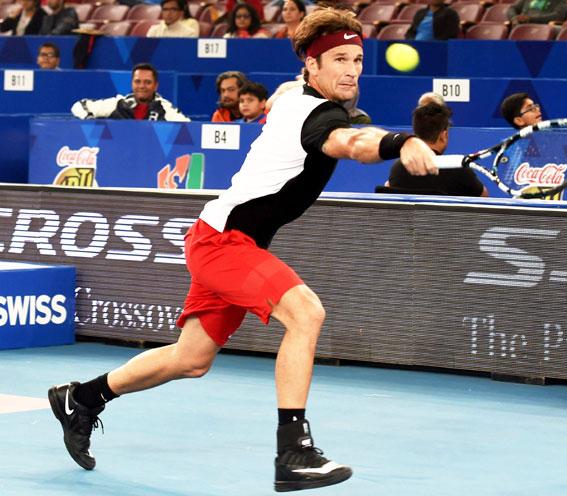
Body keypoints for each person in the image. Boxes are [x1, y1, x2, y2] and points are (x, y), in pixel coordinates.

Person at [48, 7, 438, 493]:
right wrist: (400, 142)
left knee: (191, 358)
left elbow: (355, 127)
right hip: (222, 241)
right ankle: (293, 450)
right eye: (339, 58)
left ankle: (82, 397)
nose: (352, 69)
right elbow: (350, 141)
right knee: (306, 314)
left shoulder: (305, 97)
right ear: (311, 66)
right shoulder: (308, 112)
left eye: (357, 59)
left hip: (226, 236)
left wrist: (399, 139)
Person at [386, 103, 488, 197]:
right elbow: (484, 198)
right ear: (444, 136)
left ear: (416, 135)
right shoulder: (460, 170)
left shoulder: (398, 168)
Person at [71, 63, 190, 122]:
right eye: (137, 81)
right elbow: (78, 106)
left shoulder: (165, 108)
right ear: (132, 83)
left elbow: (189, 129)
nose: (142, 86)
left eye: (147, 82)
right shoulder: (120, 103)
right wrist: (90, 121)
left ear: (156, 86)